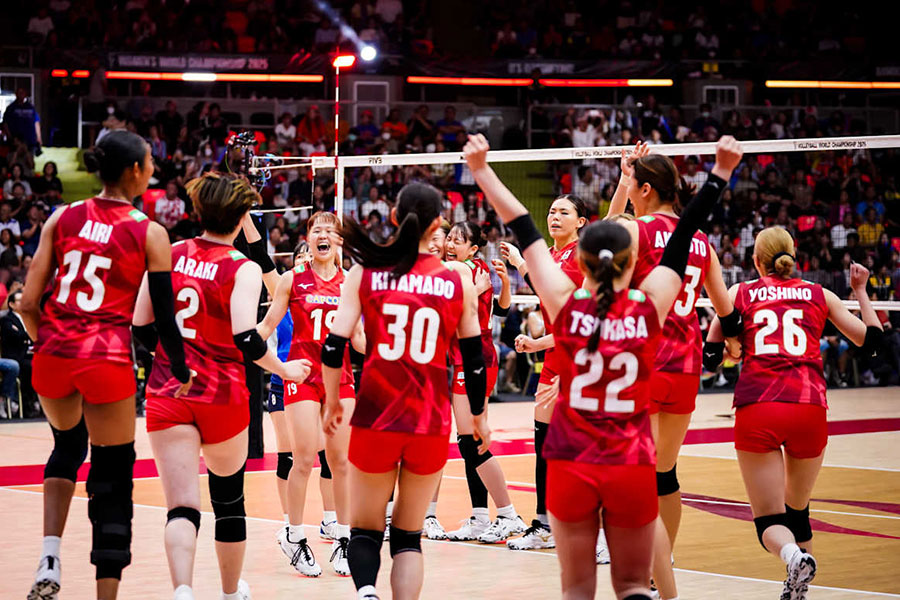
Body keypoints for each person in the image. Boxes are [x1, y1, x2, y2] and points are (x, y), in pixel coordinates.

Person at [464, 132, 742, 600]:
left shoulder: (566, 307)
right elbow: (683, 236)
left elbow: (523, 226)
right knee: (634, 583)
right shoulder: (650, 308)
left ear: (582, 261)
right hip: (630, 460)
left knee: (576, 589)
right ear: (634, 263)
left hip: (576, 460)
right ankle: (662, 588)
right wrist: (720, 173)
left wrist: (482, 170)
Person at [20, 130, 191, 600]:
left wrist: (49, 342)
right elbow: (164, 318)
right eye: (151, 161)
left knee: (67, 446)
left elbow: (28, 302)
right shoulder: (150, 230)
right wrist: (180, 369)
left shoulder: (62, 216)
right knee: (113, 477)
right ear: (135, 170)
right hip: (105, 358)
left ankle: (49, 555)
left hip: (52, 356)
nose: (155, 167)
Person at [134, 172, 312, 600]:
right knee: (229, 501)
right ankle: (231, 593)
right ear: (240, 218)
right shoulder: (242, 267)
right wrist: (284, 370)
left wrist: (171, 362)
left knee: (181, 507)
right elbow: (246, 339)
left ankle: (182, 590)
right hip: (223, 394)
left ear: (198, 211)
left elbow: (140, 325)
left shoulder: (170, 253)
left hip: (169, 391)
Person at [322, 182, 489, 600]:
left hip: (377, 415)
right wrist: (480, 418)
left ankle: (365, 593)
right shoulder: (457, 281)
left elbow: (332, 346)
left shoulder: (365, 271)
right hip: (430, 420)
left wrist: (329, 401)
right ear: (436, 225)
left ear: (394, 217)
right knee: (408, 538)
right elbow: (474, 361)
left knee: (364, 529)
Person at [705, 227, 883, 600]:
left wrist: (731, 352)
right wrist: (861, 292)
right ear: (793, 254)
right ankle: (800, 588)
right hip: (809, 408)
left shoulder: (740, 292)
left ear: (755, 261)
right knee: (797, 512)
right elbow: (873, 345)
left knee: (770, 521)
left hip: (759, 407)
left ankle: (792, 558)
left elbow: (710, 360)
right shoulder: (819, 294)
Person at [606, 140, 743, 600]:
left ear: (644, 189)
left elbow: (601, 243)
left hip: (642, 365)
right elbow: (725, 309)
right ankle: (662, 566)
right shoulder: (699, 239)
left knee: (638, 484)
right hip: (684, 369)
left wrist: (622, 180)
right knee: (665, 476)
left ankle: (660, 584)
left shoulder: (636, 231)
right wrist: (732, 343)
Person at [257, 211, 365, 577]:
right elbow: (268, 325)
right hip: (301, 374)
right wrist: (235, 343)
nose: (323, 235)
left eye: (330, 231)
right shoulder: (291, 280)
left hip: (341, 376)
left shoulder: (352, 282)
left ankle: (344, 540)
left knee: (341, 462)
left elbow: (362, 339)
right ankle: (295, 536)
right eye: (316, 229)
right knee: (303, 459)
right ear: (308, 239)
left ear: (339, 241)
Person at [501, 194, 596, 556]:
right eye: (552, 211)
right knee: (545, 445)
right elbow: (547, 289)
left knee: (576, 447)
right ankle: (545, 524)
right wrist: (537, 343)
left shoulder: (577, 259)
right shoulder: (555, 256)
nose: (555, 216)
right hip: (557, 354)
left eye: (564, 212)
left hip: (575, 358)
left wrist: (547, 348)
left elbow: (578, 321)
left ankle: (590, 528)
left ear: (581, 222)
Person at [443, 221, 526, 543]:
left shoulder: (466, 272)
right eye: (449, 238)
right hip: (465, 356)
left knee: (472, 440)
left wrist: (476, 291)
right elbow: (502, 309)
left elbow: (450, 308)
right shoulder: (471, 271)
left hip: (475, 357)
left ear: (473, 249)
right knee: (468, 442)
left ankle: (507, 514)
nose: (450, 244)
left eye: (458, 240)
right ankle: (480, 516)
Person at [1, 290, 38, 416]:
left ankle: (41, 402)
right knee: (29, 367)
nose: (23, 303)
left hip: (30, 353)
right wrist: (28, 335)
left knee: (44, 364)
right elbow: (15, 336)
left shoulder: (29, 317)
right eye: (19, 300)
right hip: (16, 355)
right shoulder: (7, 319)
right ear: (11, 304)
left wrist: (25, 335)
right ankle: (28, 403)